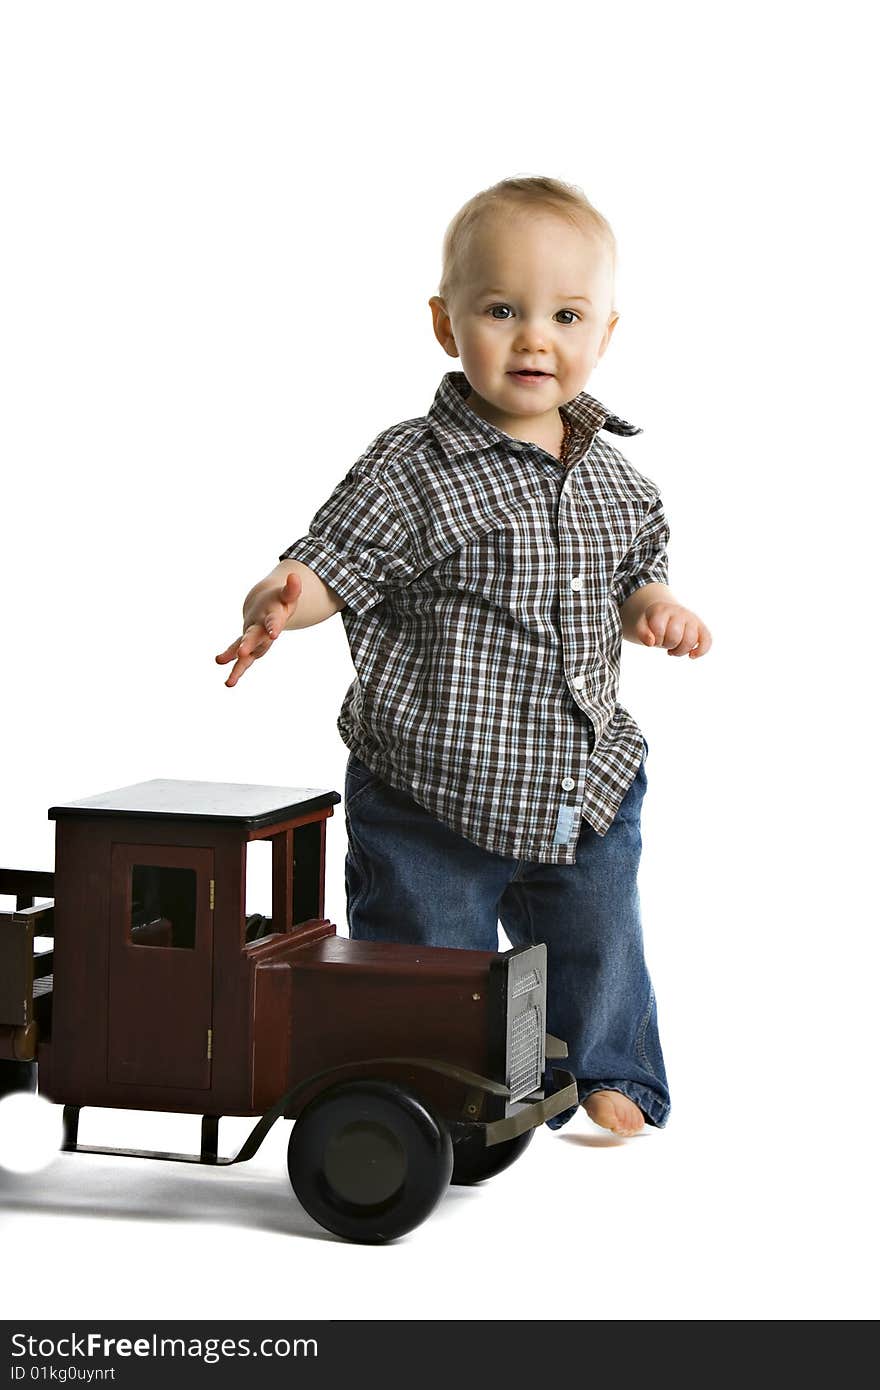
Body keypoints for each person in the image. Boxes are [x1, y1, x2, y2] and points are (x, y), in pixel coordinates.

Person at [216, 176, 711, 1138]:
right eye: (501, 310)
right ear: (446, 326)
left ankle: (609, 1071)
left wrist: (653, 607)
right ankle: (420, 1094)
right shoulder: (414, 466)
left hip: (582, 779)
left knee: (594, 937)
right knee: (429, 962)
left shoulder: (619, 478)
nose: (535, 338)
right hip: (431, 789)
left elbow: (637, 568)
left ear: (605, 334)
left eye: (566, 315)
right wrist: (284, 597)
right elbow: (336, 559)